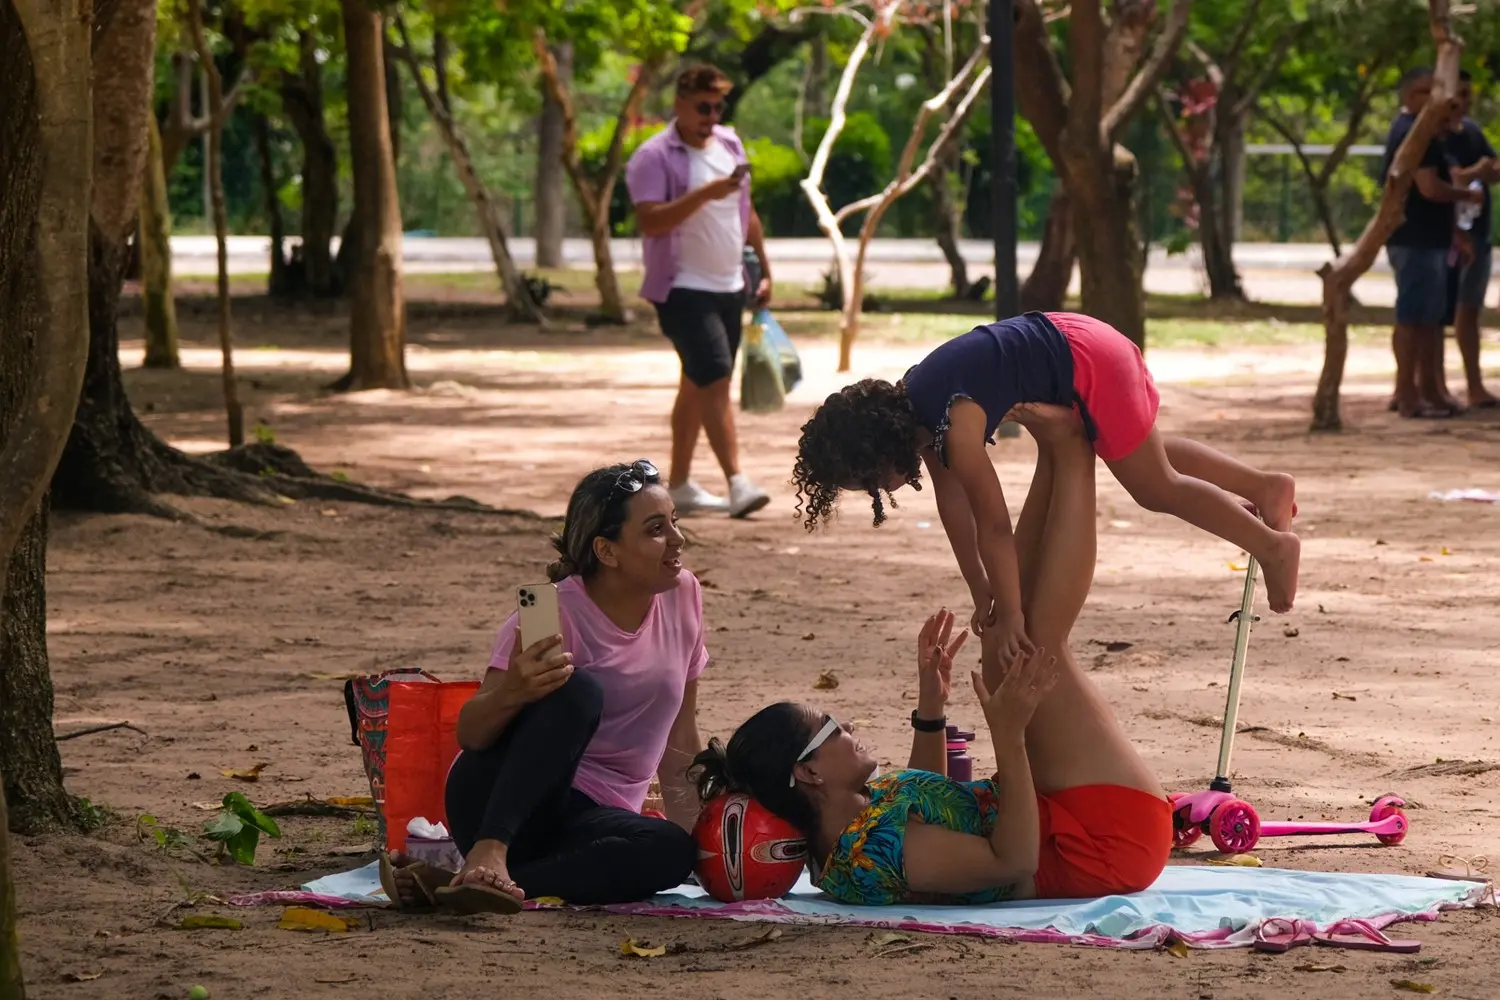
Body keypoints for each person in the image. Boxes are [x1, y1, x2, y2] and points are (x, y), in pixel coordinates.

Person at [696, 405, 1171, 904]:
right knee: (1037, 644)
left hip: (1064, 819)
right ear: (809, 772)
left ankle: (1055, 452)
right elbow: (1013, 862)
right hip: (1105, 844)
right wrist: (1008, 735)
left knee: (1004, 633)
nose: (848, 725)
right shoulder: (872, 852)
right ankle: (1071, 449)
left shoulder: (853, 822)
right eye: (831, 727)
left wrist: (931, 708)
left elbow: (927, 793)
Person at [790, 310, 1302, 661]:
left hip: (1087, 359)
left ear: (883, 451)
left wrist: (1012, 612)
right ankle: (1265, 488)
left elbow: (994, 525)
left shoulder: (955, 423)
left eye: (873, 483)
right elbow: (955, 512)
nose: (883, 491)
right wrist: (983, 591)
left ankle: (1271, 547)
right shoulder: (920, 413)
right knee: (1139, 453)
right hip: (1076, 341)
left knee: (1153, 487)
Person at [382, 460, 706, 914]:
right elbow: (471, 734)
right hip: (498, 801)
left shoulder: (683, 594)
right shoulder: (554, 613)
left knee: (671, 851)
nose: (677, 538)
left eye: (674, 521)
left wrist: (704, 850)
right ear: (606, 551)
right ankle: (488, 854)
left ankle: (465, 884)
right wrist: (513, 691)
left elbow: (681, 738)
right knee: (578, 691)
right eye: (656, 529)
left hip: (588, 822)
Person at [625, 64, 772, 519]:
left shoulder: (729, 145)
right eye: (703, 107)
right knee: (715, 377)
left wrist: (763, 268)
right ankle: (737, 481)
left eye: (718, 107)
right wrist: (705, 194)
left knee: (696, 382)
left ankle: (682, 485)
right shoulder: (654, 156)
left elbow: (746, 212)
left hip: (730, 283)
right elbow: (650, 220)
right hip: (681, 287)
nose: (712, 116)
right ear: (680, 104)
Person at [1380, 66, 1484, 419]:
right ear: (1410, 96)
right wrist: (1466, 195)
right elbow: (1428, 187)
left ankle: (1429, 389)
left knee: (1429, 319)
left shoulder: (1431, 133)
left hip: (1432, 239)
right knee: (1411, 318)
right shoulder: (1412, 132)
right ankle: (1407, 393)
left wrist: (1455, 233)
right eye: (1427, 92)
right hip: (1414, 239)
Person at [1445, 70, 1499, 409]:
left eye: (1469, 94)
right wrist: (1473, 173)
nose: (1466, 102)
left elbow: (1492, 166)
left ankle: (1474, 385)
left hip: (1478, 233)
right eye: (1460, 94)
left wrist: (1485, 171)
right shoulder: (1433, 136)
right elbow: (1447, 179)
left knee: (1469, 310)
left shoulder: (1473, 131)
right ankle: (1418, 385)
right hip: (1447, 237)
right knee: (1429, 315)